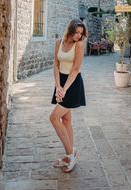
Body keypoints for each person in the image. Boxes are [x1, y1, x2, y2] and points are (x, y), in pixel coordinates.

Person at [50, 19, 87, 172]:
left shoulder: (79, 44)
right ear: (70, 30)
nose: (79, 35)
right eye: (77, 32)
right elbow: (56, 64)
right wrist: (58, 86)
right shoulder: (59, 42)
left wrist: (64, 89)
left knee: (53, 117)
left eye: (81, 33)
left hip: (73, 83)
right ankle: (71, 154)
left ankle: (70, 154)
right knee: (66, 119)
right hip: (61, 82)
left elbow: (75, 69)